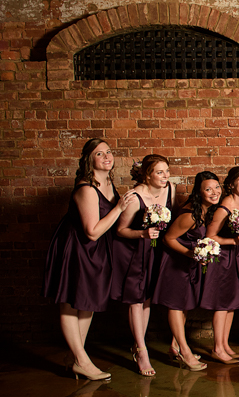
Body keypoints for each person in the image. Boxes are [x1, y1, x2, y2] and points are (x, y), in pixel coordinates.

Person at [43, 138, 136, 381]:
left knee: (88, 302)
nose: (107, 156)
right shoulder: (86, 188)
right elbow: (92, 231)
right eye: (99, 154)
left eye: (109, 152)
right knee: (70, 302)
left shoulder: (108, 181)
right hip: (77, 248)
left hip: (96, 250)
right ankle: (82, 361)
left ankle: (77, 358)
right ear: (89, 160)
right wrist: (118, 208)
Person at [152, 171, 221, 371]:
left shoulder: (206, 210)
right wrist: (192, 254)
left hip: (187, 264)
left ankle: (175, 346)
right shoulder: (190, 215)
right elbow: (168, 239)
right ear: (199, 193)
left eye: (216, 187)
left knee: (184, 306)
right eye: (208, 189)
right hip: (175, 264)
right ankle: (185, 351)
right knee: (176, 306)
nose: (214, 192)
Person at [112, 154, 174, 376]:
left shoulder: (170, 190)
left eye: (167, 171)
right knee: (136, 300)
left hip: (157, 251)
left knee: (147, 299)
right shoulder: (134, 197)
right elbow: (120, 230)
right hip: (135, 251)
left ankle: (140, 343)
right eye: (159, 172)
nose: (165, 176)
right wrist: (143, 233)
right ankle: (141, 350)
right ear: (147, 175)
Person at [201, 166, 239, 363]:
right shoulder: (226, 205)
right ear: (231, 184)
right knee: (222, 303)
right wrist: (232, 242)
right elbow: (210, 236)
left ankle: (225, 344)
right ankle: (217, 347)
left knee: (232, 303)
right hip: (224, 258)